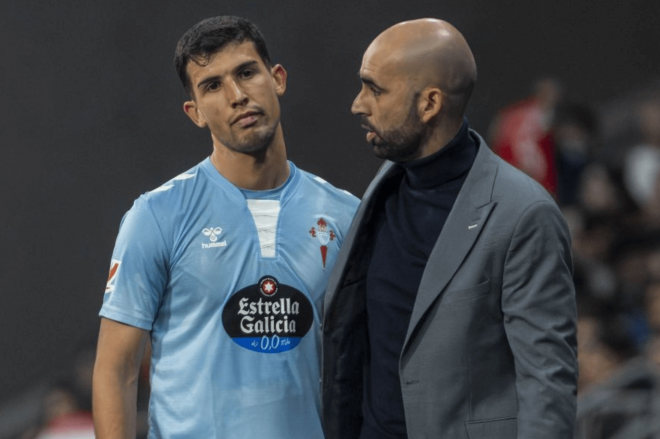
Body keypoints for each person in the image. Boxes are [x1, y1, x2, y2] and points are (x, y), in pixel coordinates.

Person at [92, 16, 358, 439]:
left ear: (278, 79)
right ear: (194, 112)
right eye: (212, 85)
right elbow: (116, 371)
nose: (237, 96)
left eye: (247, 73)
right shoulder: (157, 216)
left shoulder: (346, 215)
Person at [322, 18, 577, 439]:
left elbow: (547, 383)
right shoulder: (383, 189)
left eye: (375, 89)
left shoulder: (524, 213)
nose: (358, 104)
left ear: (429, 104)